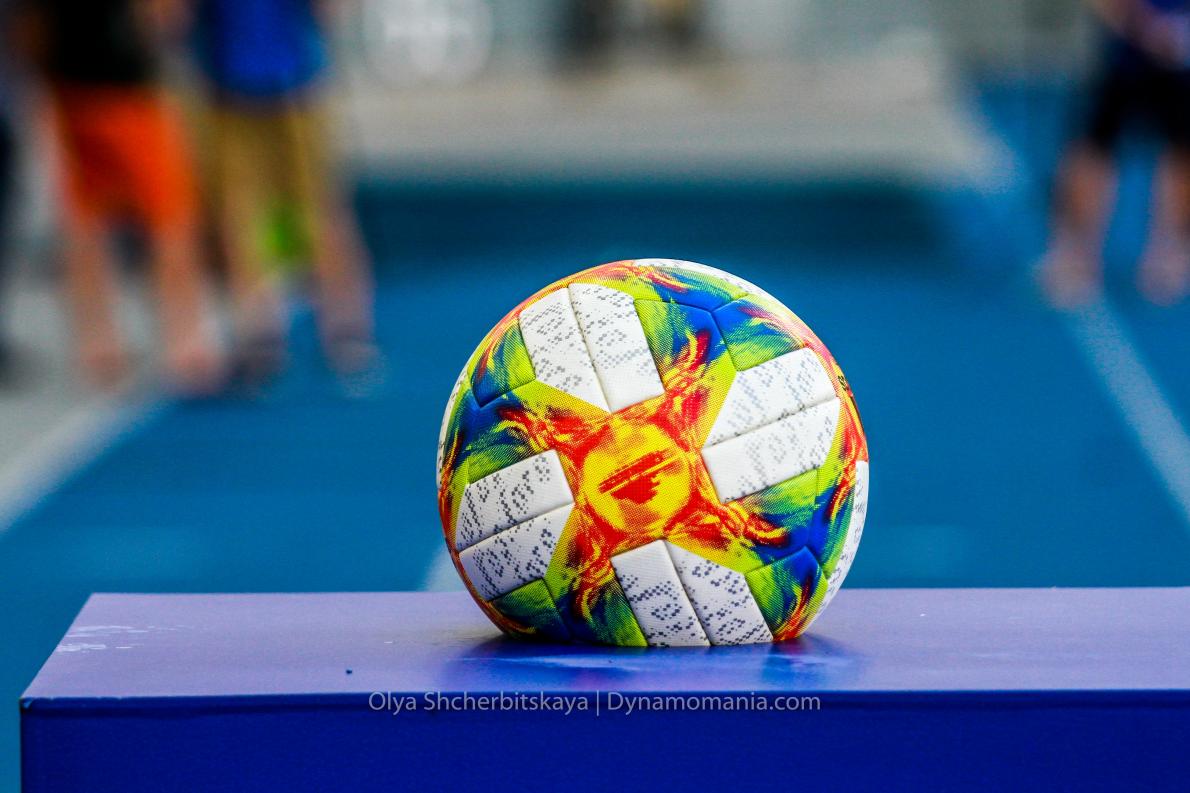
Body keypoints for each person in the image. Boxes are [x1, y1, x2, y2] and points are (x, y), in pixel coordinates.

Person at [27, 0, 223, 392]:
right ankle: (184, 342)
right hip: (127, 90)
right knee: (169, 217)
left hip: (69, 88)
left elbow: (31, 29)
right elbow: (162, 17)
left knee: (86, 220)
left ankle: (98, 343)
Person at [190, 0, 378, 384]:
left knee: (320, 211)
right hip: (227, 86)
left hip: (295, 82)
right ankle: (261, 331)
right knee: (241, 217)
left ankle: (346, 326)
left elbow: (330, 12)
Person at [1044, 0, 1190, 307]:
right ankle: (1075, 251)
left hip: (1180, 59)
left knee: (1181, 150)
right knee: (1093, 148)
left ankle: (1172, 249)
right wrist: (1146, 27)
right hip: (1124, 55)